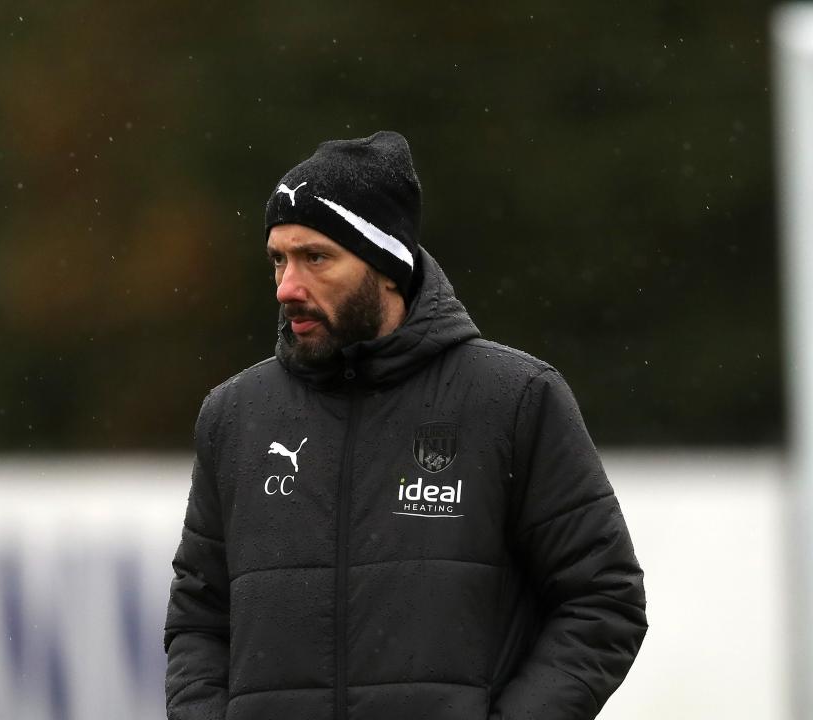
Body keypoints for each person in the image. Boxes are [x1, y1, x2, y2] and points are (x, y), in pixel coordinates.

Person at [163, 131, 647, 720]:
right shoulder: (233, 415)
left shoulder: (514, 399)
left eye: (316, 257)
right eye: (278, 259)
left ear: (387, 267)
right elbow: (198, 623)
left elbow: (603, 600)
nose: (287, 287)